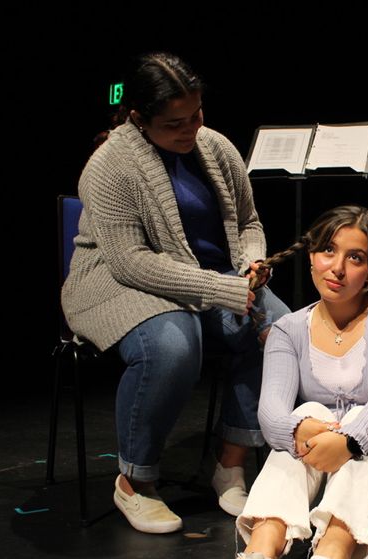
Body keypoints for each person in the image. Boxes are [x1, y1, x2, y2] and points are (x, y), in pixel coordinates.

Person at [61, 52, 289, 533]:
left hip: (214, 277)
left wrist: (251, 261)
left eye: (197, 115)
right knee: (174, 344)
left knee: (281, 331)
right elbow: (131, 262)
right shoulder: (109, 167)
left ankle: (230, 463)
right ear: (139, 118)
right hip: (116, 284)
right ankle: (136, 482)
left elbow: (248, 223)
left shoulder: (216, 148)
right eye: (174, 123)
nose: (190, 130)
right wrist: (220, 287)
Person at [217, 206, 368, 559]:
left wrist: (352, 439)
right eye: (328, 251)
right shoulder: (288, 329)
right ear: (311, 258)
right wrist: (297, 430)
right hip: (331, 484)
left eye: (355, 258)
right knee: (305, 415)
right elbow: (270, 413)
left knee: (363, 416)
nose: (337, 267)